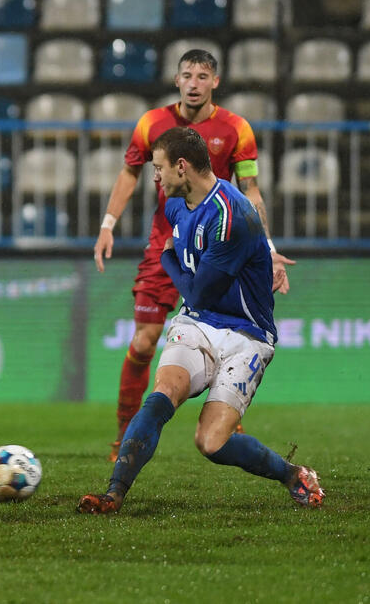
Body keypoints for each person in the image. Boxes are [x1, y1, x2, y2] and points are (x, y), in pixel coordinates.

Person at [78, 127, 324, 514]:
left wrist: (166, 260)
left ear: (181, 166)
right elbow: (188, 283)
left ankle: (293, 474)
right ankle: (113, 494)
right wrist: (170, 257)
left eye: (158, 168)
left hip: (247, 334)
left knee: (211, 442)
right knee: (161, 397)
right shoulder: (175, 202)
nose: (154, 177)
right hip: (196, 324)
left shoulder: (232, 216)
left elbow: (196, 291)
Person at [93, 49, 295, 461]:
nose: (194, 82)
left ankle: (228, 412)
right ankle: (124, 432)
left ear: (214, 82)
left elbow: (250, 190)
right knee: (144, 341)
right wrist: (107, 225)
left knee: (228, 329)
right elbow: (130, 172)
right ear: (176, 79)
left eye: (202, 75)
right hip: (167, 244)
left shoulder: (237, 129)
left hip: (221, 247)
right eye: (187, 74)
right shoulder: (151, 122)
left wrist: (268, 247)